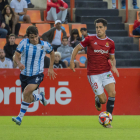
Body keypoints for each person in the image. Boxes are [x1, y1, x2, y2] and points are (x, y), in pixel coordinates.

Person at [70, 18, 119, 128]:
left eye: (100, 27)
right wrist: (72, 61)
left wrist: (114, 66)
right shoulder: (90, 39)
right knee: (103, 100)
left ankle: (108, 120)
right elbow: (77, 48)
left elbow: (112, 58)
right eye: (97, 27)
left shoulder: (111, 43)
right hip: (93, 74)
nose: (98, 29)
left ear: (105, 28)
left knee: (113, 93)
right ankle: (97, 98)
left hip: (106, 71)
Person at [12, 25, 56, 126]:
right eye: (32, 37)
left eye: (36, 36)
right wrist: (19, 63)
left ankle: (19, 118)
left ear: (38, 35)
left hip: (37, 74)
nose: (35, 39)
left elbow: (52, 53)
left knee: (26, 92)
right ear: (28, 37)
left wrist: (50, 68)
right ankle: (40, 96)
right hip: (24, 74)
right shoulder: (23, 43)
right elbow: (16, 56)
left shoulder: (44, 45)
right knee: (28, 97)